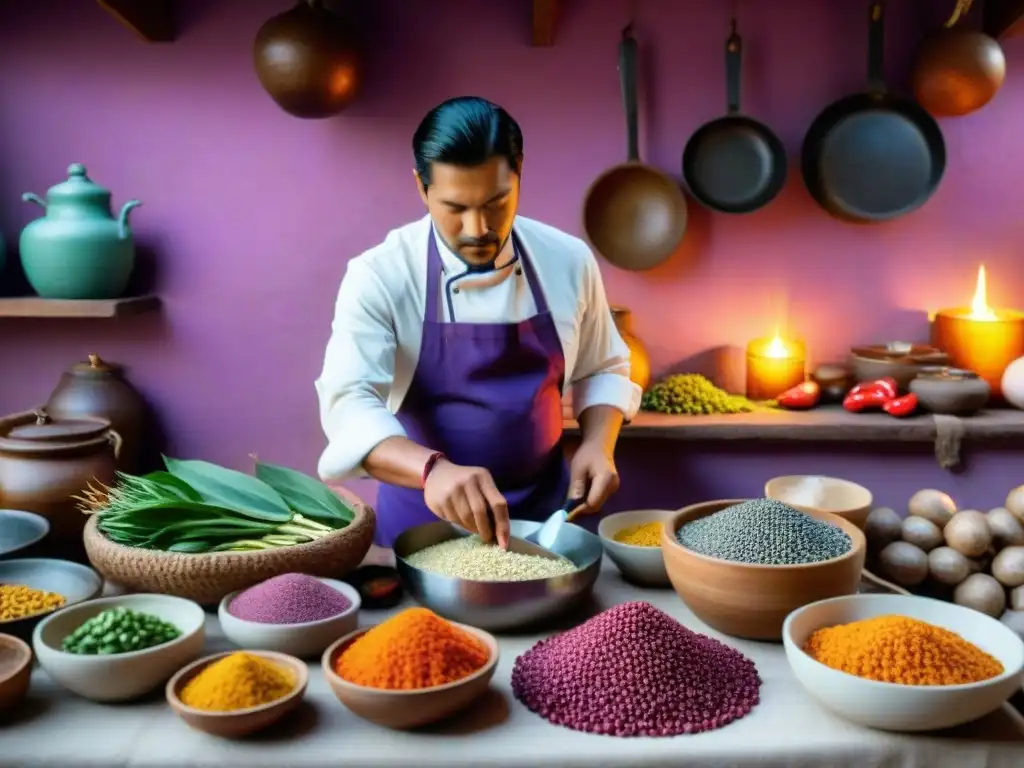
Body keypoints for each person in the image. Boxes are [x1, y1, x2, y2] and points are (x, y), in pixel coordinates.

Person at [315, 96, 641, 549]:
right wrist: (431, 470)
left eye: (496, 202)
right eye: (455, 207)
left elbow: (603, 366)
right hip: (423, 522)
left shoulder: (567, 259)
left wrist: (598, 443)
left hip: (546, 518)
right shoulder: (381, 274)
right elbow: (348, 402)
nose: (477, 228)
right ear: (421, 187)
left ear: (519, 172)